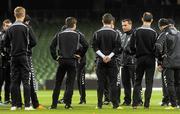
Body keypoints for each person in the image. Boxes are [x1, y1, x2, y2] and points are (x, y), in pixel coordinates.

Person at [50, 17, 88, 109]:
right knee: (70, 84)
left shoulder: (59, 34)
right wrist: (80, 54)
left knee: (58, 83)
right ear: (74, 25)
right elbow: (86, 45)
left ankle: (53, 105)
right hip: (72, 60)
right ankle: (68, 104)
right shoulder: (77, 34)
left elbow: (52, 46)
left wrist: (55, 57)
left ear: (66, 24)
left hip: (62, 60)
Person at [4, 6, 36, 110]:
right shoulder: (27, 27)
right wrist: (26, 47)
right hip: (24, 56)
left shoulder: (10, 28)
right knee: (26, 81)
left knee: (14, 81)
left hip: (13, 57)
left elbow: (5, 43)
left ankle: (15, 105)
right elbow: (34, 42)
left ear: (14, 15)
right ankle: (27, 105)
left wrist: (11, 50)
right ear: (24, 14)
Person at [92, 13, 122, 109]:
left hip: (100, 61)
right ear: (112, 22)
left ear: (102, 21)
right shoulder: (116, 33)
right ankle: (115, 104)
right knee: (113, 83)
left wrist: (103, 56)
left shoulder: (97, 33)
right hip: (112, 61)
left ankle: (99, 105)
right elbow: (118, 47)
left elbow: (95, 47)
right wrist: (109, 56)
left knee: (100, 83)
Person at [130, 12, 157, 109]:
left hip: (139, 58)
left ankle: (135, 104)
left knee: (137, 82)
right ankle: (146, 105)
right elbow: (156, 48)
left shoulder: (136, 31)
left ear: (142, 19)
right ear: (152, 20)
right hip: (150, 59)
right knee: (149, 82)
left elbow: (131, 46)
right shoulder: (154, 32)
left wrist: (135, 53)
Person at [155, 18, 180, 109]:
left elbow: (158, 46)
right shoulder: (178, 33)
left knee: (170, 84)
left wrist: (160, 61)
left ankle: (173, 104)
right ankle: (179, 103)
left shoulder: (164, 33)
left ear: (160, 26)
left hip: (169, 63)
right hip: (179, 62)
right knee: (178, 83)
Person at [0, 19, 12, 105]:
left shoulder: (12, 36)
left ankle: (7, 99)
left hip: (9, 61)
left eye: (10, 26)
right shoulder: (0, 35)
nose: (8, 28)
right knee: (0, 81)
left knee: (9, 81)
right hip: (1, 62)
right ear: (3, 26)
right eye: (7, 26)